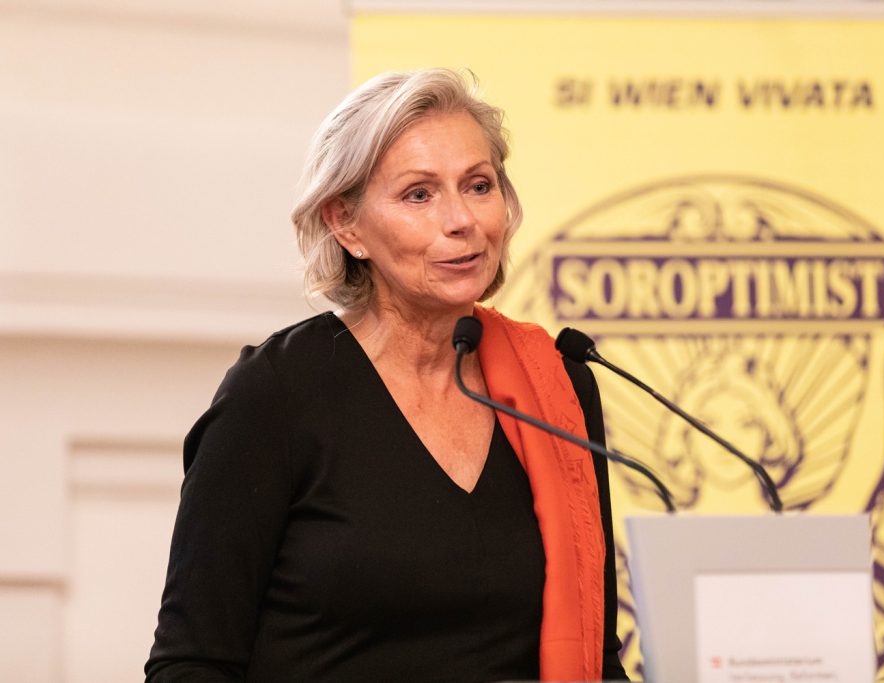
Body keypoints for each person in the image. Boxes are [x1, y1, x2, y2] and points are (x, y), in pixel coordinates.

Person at [146, 68, 628, 682]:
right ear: (346, 224)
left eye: (478, 185)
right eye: (419, 195)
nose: (462, 219)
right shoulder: (275, 395)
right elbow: (191, 665)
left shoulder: (557, 387)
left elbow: (597, 659)